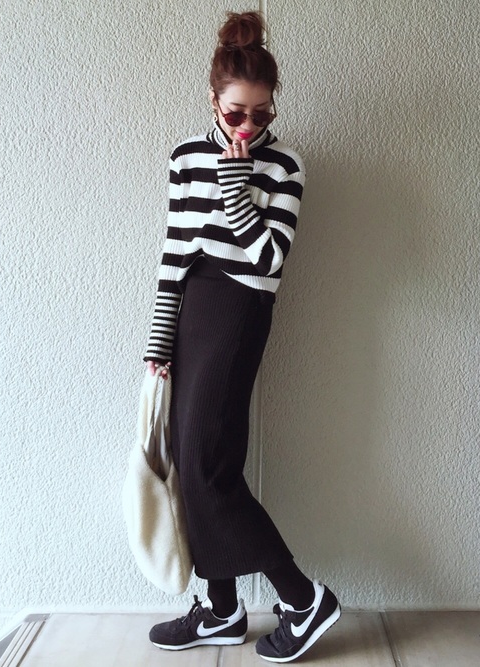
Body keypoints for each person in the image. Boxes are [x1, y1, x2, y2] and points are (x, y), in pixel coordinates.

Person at [143, 11, 340, 663]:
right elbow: (175, 253)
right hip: (193, 307)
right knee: (192, 458)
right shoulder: (185, 156)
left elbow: (268, 260)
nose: (247, 128)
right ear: (213, 100)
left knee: (207, 466)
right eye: (235, 114)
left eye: (260, 114)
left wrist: (236, 186)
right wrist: (158, 341)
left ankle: (304, 599)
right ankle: (223, 608)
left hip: (240, 310)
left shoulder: (285, 167)